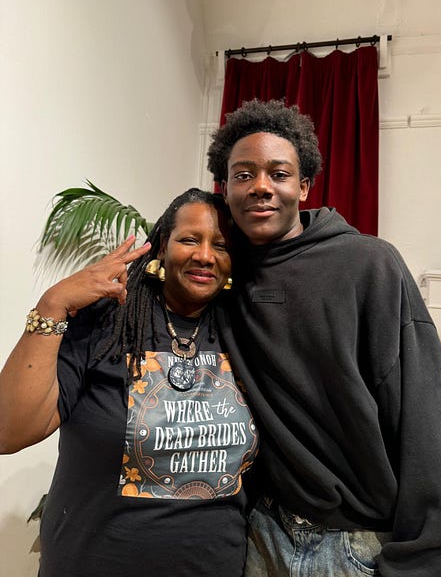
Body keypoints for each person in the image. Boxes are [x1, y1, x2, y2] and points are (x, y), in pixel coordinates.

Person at [207, 99, 441, 576]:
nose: (260, 186)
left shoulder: (370, 265)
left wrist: (422, 558)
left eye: (279, 174)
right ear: (225, 188)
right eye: (243, 175)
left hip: (352, 546)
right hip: (259, 532)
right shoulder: (220, 274)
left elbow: (425, 418)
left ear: (303, 186)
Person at [0, 188, 258, 577]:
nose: (205, 255)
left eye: (220, 245)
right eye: (190, 240)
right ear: (162, 247)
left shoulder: (245, 332)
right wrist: (52, 305)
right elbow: (9, 432)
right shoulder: (107, 321)